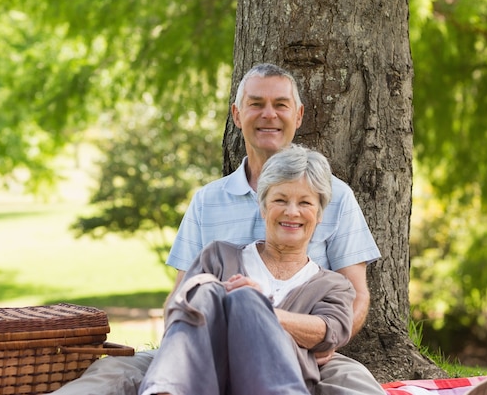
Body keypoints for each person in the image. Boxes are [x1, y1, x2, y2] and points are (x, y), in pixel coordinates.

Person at [0, 64, 487, 395]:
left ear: (297, 115)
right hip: (199, 338)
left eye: (280, 103)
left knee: (352, 379)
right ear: (239, 115)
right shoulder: (212, 207)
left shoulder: (333, 194)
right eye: (256, 103)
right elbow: (182, 291)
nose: (268, 114)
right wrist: (208, 316)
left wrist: (291, 325)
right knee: (112, 374)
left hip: (304, 345)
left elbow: (352, 298)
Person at [139, 144, 356, 395]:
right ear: (263, 208)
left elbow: (331, 331)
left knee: (245, 297)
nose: (292, 212)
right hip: (206, 378)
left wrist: (261, 309)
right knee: (204, 289)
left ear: (319, 214)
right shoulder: (218, 256)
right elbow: (179, 316)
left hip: (274, 383)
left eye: (305, 202)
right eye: (280, 200)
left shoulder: (333, 285)